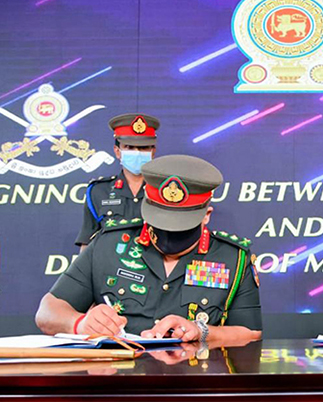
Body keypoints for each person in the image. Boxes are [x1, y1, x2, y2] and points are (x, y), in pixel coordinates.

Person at [36, 155, 262, 342]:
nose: (170, 234)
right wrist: (80, 323)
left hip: (193, 385)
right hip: (118, 384)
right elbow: (47, 312)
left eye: (182, 226)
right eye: (161, 223)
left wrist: (202, 332)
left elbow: (251, 333)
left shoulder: (234, 258)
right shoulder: (108, 244)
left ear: (206, 216)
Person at [75, 114, 160, 251]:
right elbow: (87, 242)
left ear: (153, 151)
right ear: (117, 151)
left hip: (156, 269)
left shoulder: (165, 190)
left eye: (144, 148)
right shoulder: (99, 191)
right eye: (129, 147)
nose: (137, 153)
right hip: (109, 269)